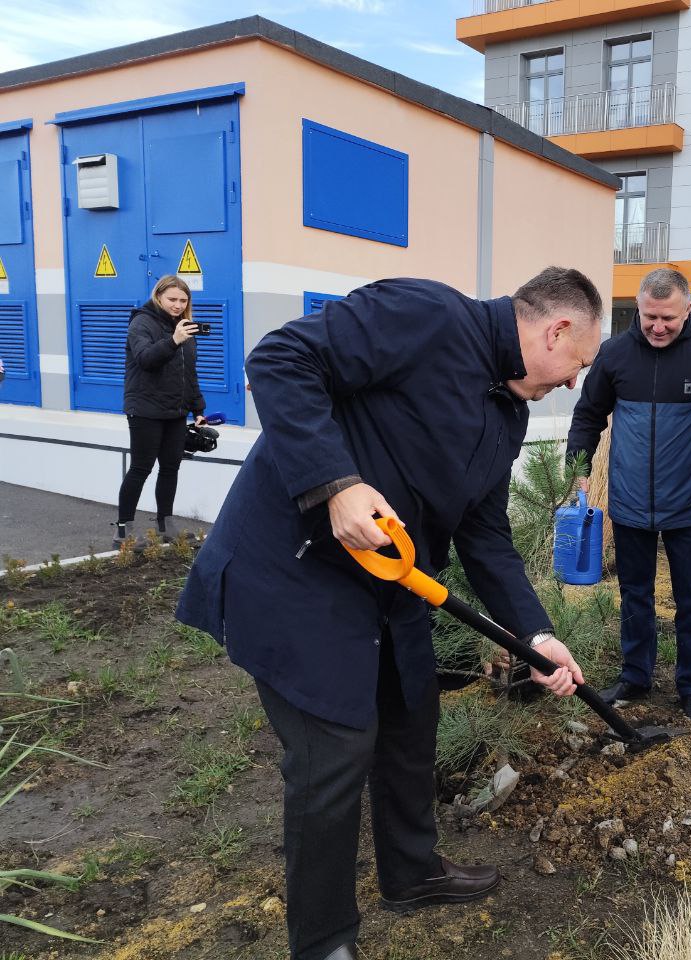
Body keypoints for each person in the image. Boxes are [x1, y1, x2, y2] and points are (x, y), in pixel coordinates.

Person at [176, 268, 600, 960]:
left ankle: (412, 873)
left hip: (390, 583)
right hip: (297, 570)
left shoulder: (506, 413)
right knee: (333, 749)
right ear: (555, 330)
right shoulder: (427, 316)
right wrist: (335, 484)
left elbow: (485, 534)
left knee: (410, 714)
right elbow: (280, 359)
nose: (574, 383)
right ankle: (323, 941)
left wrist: (537, 634)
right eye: (577, 364)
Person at [565, 268, 691, 728]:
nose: (657, 326)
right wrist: (577, 471)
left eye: (668, 317)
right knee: (635, 595)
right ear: (639, 307)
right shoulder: (615, 355)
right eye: (649, 316)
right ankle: (635, 676)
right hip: (629, 504)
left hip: (690, 506)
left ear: (688, 309)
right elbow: (588, 415)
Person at [115, 275, 206, 547]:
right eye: (172, 299)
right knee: (141, 468)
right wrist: (174, 340)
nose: (178, 305)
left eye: (183, 300)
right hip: (145, 408)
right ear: (159, 297)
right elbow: (146, 360)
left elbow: (188, 373)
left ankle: (166, 525)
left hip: (175, 411)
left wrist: (197, 408)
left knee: (170, 468)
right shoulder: (141, 322)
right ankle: (123, 532)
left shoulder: (185, 328)